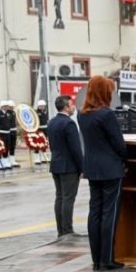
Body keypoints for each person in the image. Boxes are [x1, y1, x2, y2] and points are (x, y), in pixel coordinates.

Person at [80, 76, 128, 272]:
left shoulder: (82, 114)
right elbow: (118, 144)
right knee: (110, 213)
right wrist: (125, 160)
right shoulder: (106, 115)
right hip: (111, 169)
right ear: (104, 92)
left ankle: (97, 260)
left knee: (95, 213)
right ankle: (108, 259)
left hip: (92, 169)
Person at [46, 95, 83, 238]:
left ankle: (61, 230)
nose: (74, 107)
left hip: (56, 164)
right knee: (68, 198)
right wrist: (82, 168)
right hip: (69, 167)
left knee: (60, 197)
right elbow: (76, 149)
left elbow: (52, 145)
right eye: (72, 104)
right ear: (66, 107)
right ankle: (67, 230)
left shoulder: (52, 122)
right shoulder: (69, 124)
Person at [0, 100, 18, 170]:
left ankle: (6, 161)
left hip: (8, 133)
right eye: (6, 106)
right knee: (1, 148)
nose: (7, 107)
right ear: (2, 107)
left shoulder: (8, 114)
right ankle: (0, 163)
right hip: (1, 133)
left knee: (7, 147)